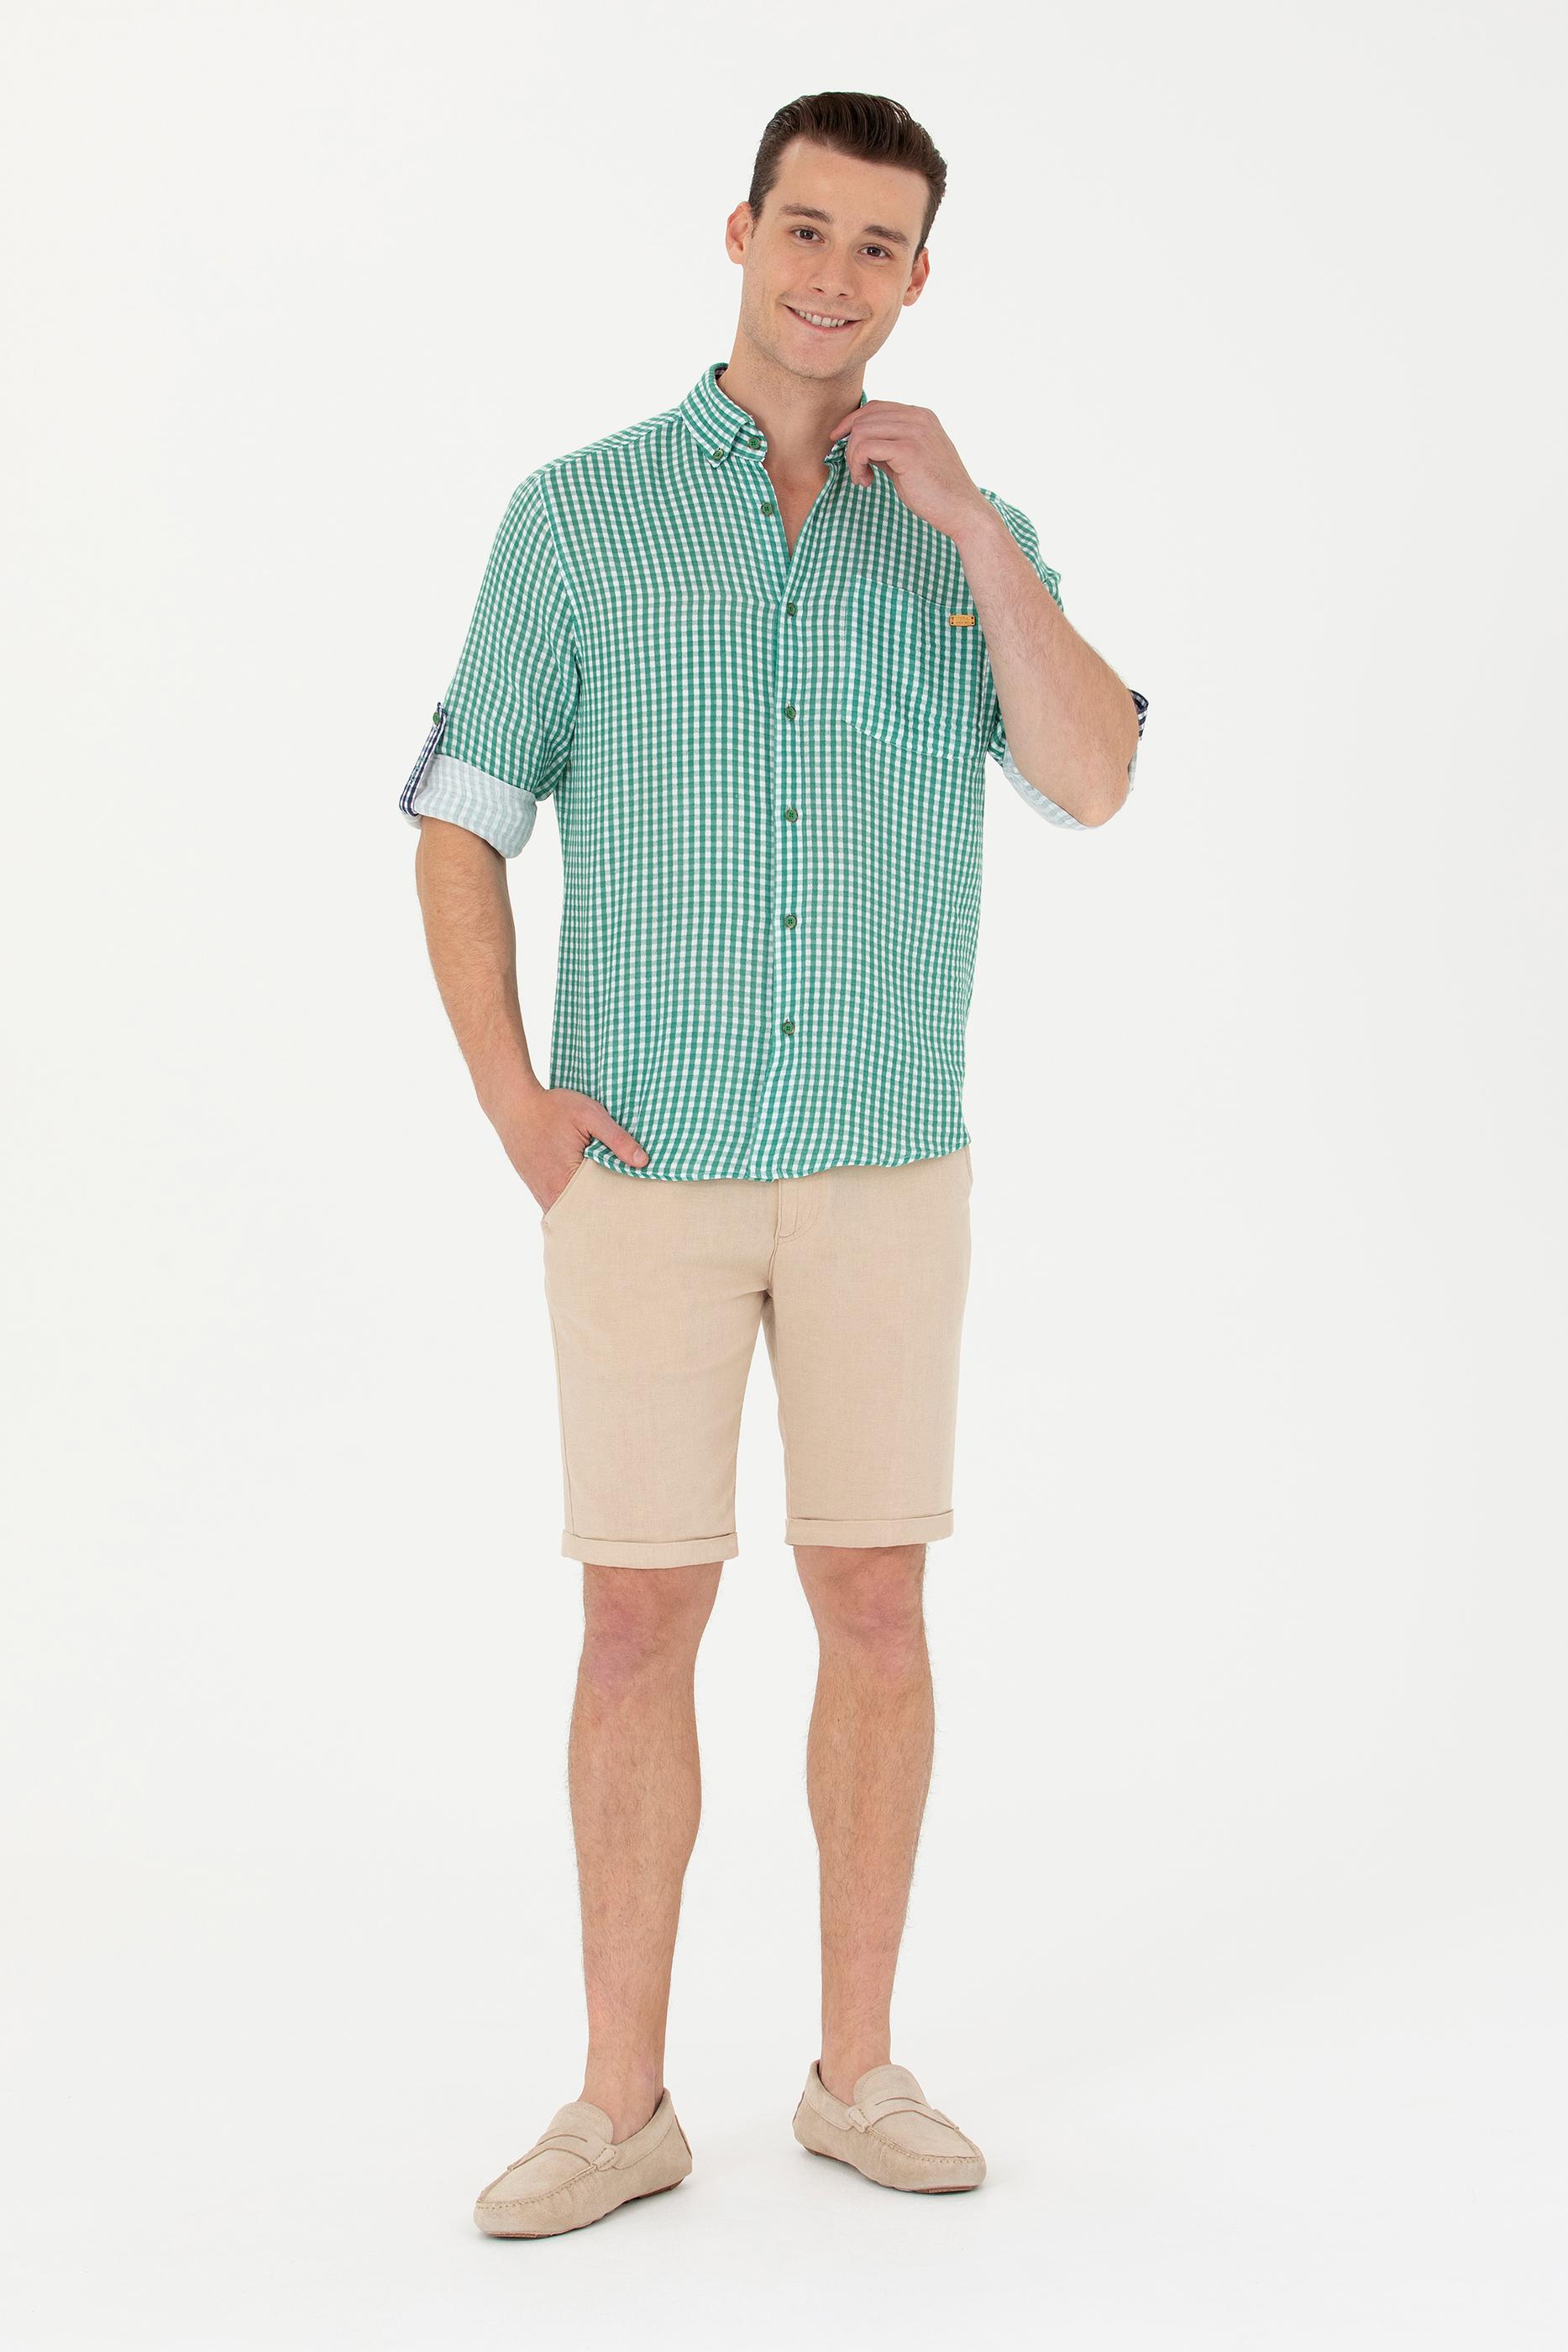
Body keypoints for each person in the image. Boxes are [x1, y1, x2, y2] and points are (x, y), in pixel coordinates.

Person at [400, 89, 1148, 2239]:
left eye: (878, 244)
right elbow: (460, 817)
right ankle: (619, 2101)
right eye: (806, 229)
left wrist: (980, 530)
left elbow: (1094, 775)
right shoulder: (581, 517)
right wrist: (513, 1100)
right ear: (738, 232)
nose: (835, 276)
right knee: (636, 1614)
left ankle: (855, 2069)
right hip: (640, 1171)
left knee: (877, 1602)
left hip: (887, 1168)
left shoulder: (962, 531)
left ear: (921, 275)